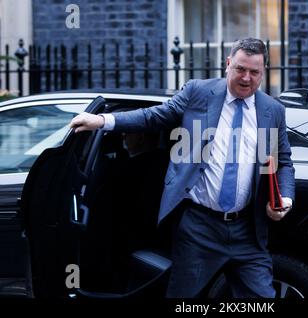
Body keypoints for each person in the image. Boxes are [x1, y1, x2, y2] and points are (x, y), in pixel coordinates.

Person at [70, 38, 295, 298]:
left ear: (263, 71)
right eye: (240, 69)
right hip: (200, 227)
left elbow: (284, 161)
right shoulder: (199, 93)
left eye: (254, 72)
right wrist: (102, 120)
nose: (246, 78)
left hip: (248, 229)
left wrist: (284, 198)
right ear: (228, 64)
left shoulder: (272, 110)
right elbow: (154, 116)